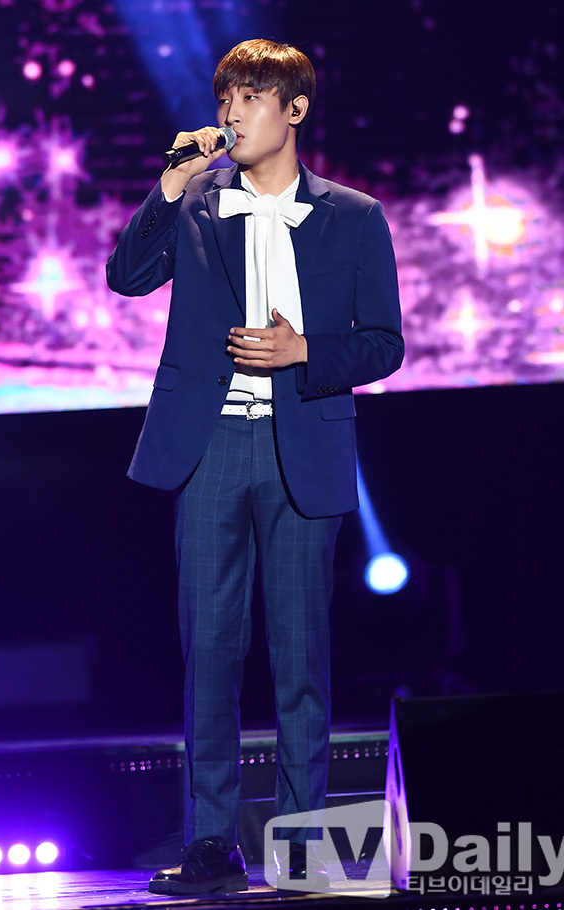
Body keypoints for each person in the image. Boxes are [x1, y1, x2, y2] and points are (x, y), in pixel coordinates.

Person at [106, 38, 403, 895]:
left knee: (302, 660)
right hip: (210, 448)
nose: (232, 113)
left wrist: (305, 351)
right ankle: (210, 845)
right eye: (225, 97)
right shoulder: (196, 201)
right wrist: (168, 186)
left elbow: (385, 343)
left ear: (294, 109)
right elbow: (126, 277)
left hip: (301, 444)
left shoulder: (355, 216)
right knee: (209, 652)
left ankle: (304, 848)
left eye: (250, 97)